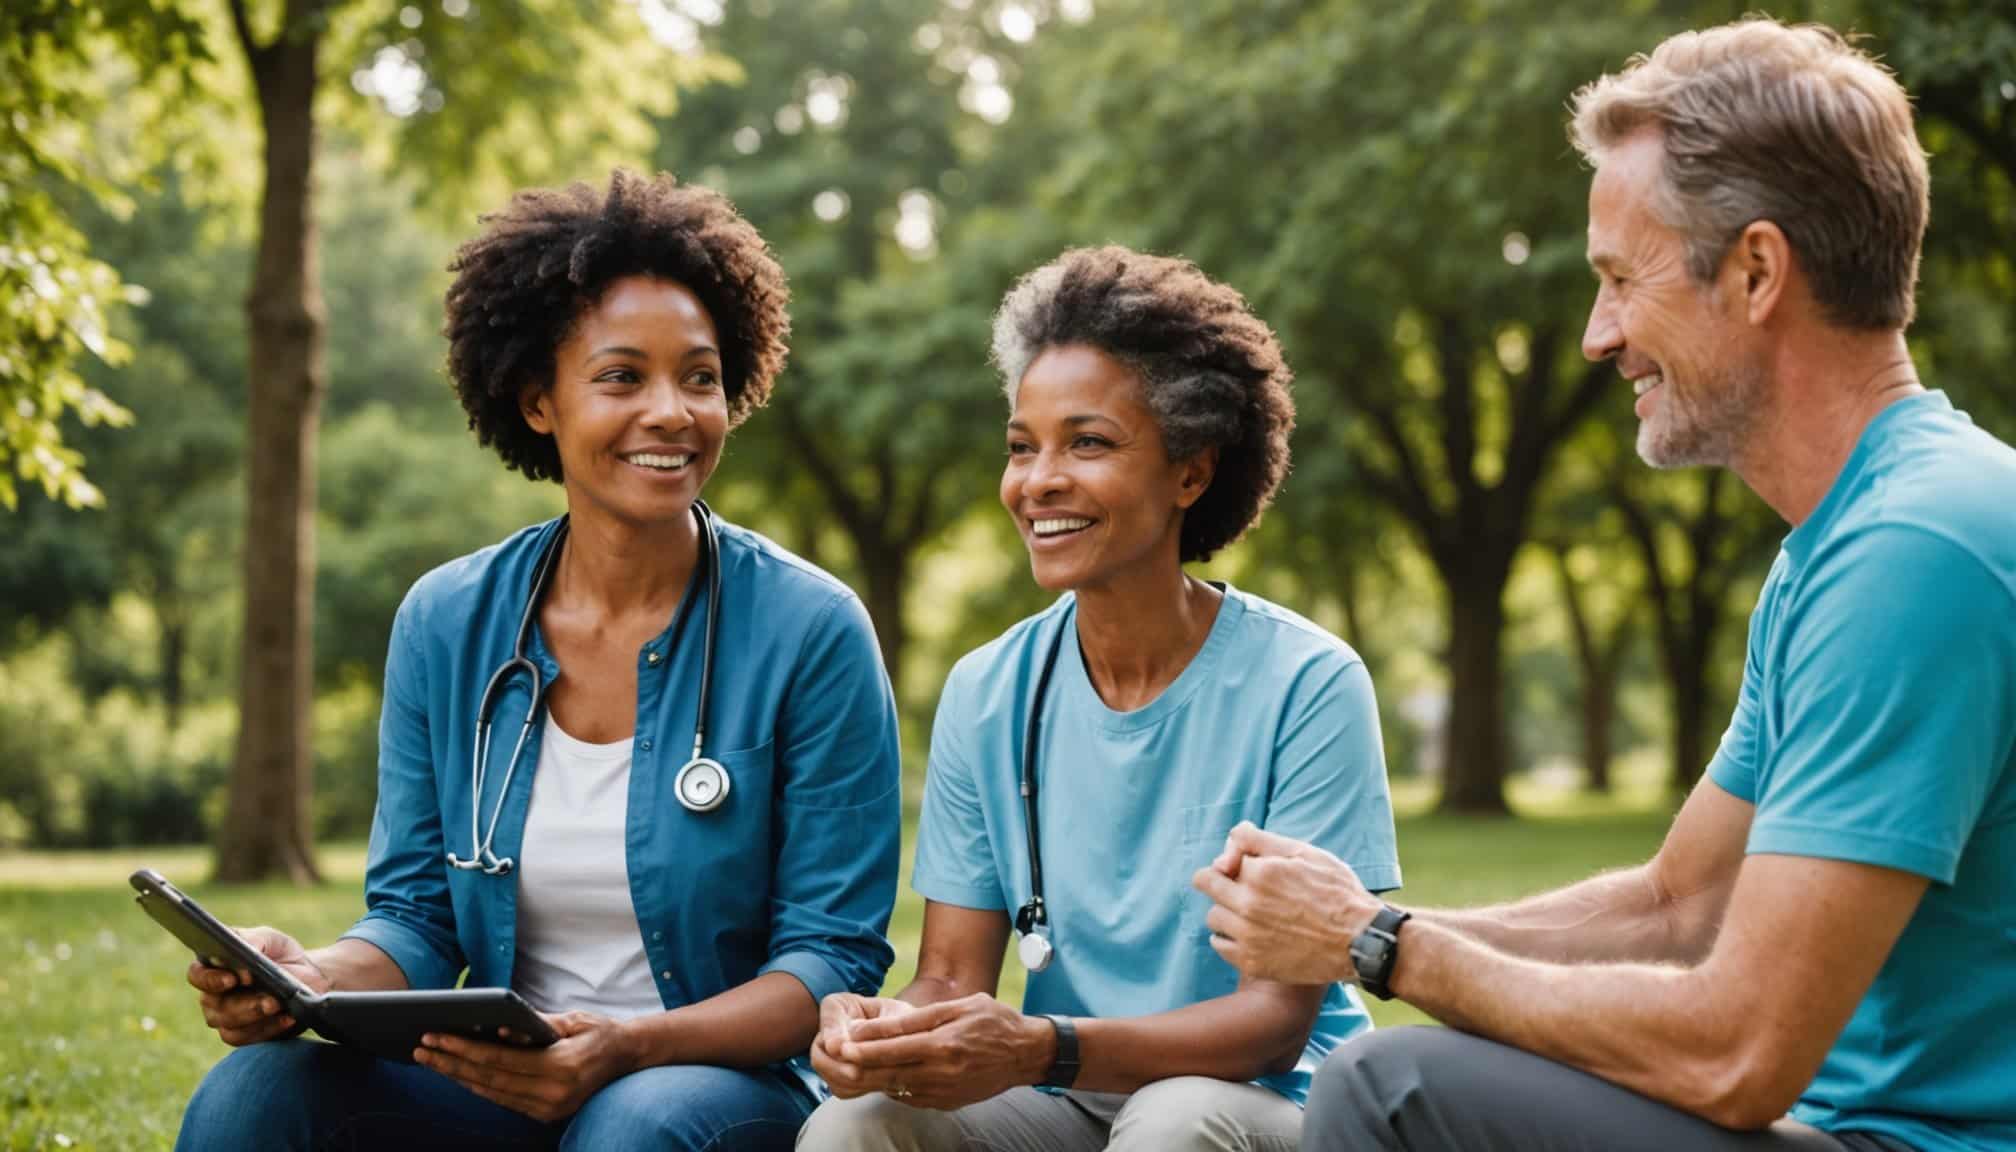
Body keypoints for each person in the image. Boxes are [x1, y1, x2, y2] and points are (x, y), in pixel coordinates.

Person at [1197, 17, 2016, 1152]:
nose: (1597, 336)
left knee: (1390, 1092)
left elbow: (1738, 1053)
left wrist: (1381, 951)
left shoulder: (1915, 550)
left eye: (1622, 279)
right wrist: (1375, 924)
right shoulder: (1848, 542)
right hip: (1851, 1130)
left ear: (1759, 270)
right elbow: (1676, 907)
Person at [175, 169, 903, 1151]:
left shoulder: (811, 631)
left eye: (699, 376)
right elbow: (417, 917)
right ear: (536, 402)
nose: (672, 412)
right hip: (494, 1078)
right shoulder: (449, 621)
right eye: (620, 377)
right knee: (256, 1094)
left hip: (713, 1084)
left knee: (638, 1127)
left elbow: (828, 964)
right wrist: (310, 975)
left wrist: (625, 1046)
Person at [795, 245, 1402, 1152]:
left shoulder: (1307, 684)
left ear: (1190, 473)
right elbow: (954, 976)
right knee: (858, 1127)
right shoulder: (988, 690)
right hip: (1070, 1094)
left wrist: (1044, 1047)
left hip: (1263, 1097)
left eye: (1088, 442)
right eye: (1020, 446)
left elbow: (1274, 1021)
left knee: (1173, 1123)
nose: (1037, 481)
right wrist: (883, 1030)